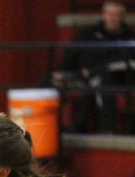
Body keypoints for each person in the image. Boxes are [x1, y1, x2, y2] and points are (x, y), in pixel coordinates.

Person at [52, 1, 135, 133]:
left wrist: (94, 71)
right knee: (47, 81)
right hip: (82, 75)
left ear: (122, 17)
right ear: (103, 15)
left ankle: (105, 132)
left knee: (103, 84)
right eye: (109, 14)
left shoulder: (129, 38)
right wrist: (62, 71)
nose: (113, 19)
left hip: (114, 79)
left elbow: (126, 63)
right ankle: (54, 131)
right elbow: (72, 54)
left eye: (117, 15)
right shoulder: (89, 34)